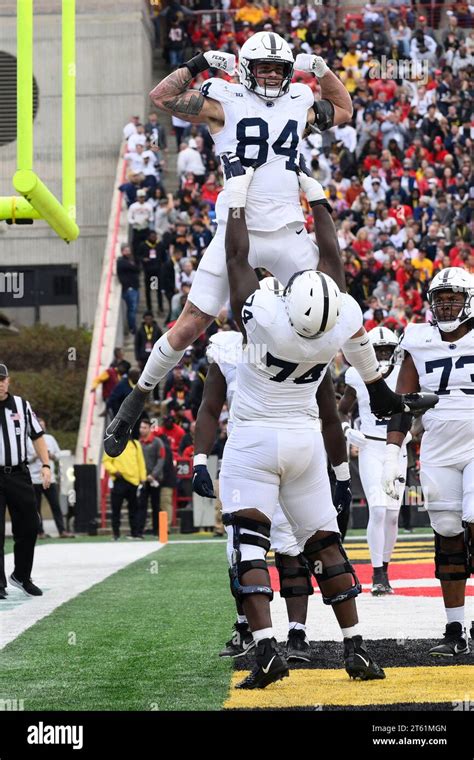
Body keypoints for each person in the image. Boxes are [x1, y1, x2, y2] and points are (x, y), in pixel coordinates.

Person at [208, 158, 437, 688]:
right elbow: (332, 257)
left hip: (255, 438)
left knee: (248, 542)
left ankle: (266, 650)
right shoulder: (341, 319)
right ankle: (356, 647)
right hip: (306, 440)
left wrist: (238, 195)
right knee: (325, 545)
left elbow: (238, 255)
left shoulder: (265, 318)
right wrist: (318, 197)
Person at [104, 34, 354, 456]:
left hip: (288, 228)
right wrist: (200, 61)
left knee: (338, 308)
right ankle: (134, 402)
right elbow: (161, 97)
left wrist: (324, 71)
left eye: (280, 68)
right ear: (246, 68)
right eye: (264, 67)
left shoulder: (297, 101)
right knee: (191, 323)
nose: (273, 75)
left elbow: (344, 109)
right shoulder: (225, 101)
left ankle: (378, 393)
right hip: (236, 228)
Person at [194, 294, 352, 662]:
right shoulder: (231, 348)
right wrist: (200, 459)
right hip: (253, 455)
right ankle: (248, 629)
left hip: (289, 449)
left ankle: (297, 635)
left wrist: (341, 474)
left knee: (292, 546)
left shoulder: (307, 340)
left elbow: (330, 414)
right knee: (243, 550)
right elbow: (209, 406)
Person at [383, 267, 474, 657]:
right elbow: (403, 404)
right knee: (448, 533)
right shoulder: (418, 338)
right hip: (437, 445)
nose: (447, 304)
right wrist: (392, 452)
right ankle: (455, 628)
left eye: (454, 297)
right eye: (441, 298)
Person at [339, 327, 409, 595]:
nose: (381, 355)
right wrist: (348, 431)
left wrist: (411, 433)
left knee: (392, 516)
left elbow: (416, 411)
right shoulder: (357, 375)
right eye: (377, 350)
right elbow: (343, 410)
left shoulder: (405, 375)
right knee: (378, 510)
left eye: (386, 350)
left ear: (395, 352)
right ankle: (377, 572)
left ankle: (386, 570)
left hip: (397, 449)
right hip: (369, 446)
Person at [0, 364, 51, 598]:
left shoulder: (21, 405)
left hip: (19, 474)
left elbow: (37, 436)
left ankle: (21, 574)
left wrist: (46, 465)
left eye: (2, 379)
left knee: (30, 524)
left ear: (8, 381)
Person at [27, 418, 75, 539]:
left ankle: (62, 531)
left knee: (55, 506)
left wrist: (51, 455)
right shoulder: (27, 440)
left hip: (50, 479)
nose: (41, 428)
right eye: (39, 425)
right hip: (34, 479)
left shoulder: (50, 439)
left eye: (43, 425)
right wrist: (36, 456)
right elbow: (24, 460)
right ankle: (40, 532)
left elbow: (59, 456)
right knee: (35, 508)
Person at [102, 438, 147, 540]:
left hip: (133, 481)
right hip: (119, 480)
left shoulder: (135, 444)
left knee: (134, 509)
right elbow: (106, 461)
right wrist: (114, 471)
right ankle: (116, 533)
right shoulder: (113, 443)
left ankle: (135, 533)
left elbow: (141, 462)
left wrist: (143, 478)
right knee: (116, 509)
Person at [137, 419, 165, 536]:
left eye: (144, 427)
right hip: (143, 480)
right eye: (141, 427)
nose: (141, 430)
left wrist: (153, 475)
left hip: (155, 480)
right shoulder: (138, 443)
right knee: (141, 505)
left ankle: (156, 530)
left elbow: (161, 459)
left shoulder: (157, 442)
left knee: (156, 505)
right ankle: (140, 529)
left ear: (149, 428)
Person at [116, 244, 140, 335]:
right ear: (122, 252)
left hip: (135, 288)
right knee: (132, 309)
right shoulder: (121, 261)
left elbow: (137, 269)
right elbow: (133, 268)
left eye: (128, 250)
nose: (128, 252)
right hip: (129, 289)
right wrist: (132, 265)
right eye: (126, 250)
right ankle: (132, 328)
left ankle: (132, 327)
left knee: (133, 309)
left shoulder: (131, 260)